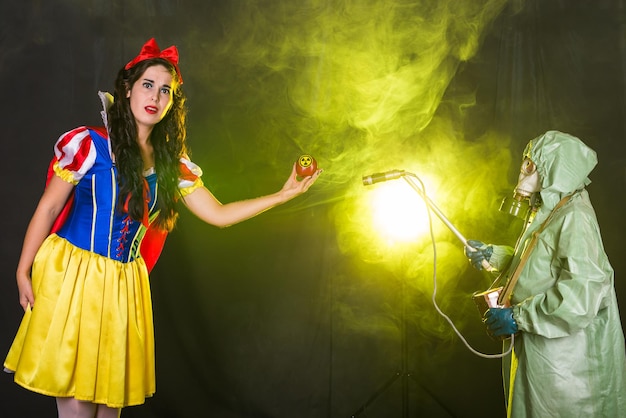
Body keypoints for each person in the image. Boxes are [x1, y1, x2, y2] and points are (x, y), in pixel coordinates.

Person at [3, 38, 322, 418]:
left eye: (165, 90)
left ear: (173, 102)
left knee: (109, 408)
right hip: (75, 278)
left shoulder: (172, 164)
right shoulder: (89, 144)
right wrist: (23, 270)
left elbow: (218, 214)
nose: (155, 96)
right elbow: (49, 205)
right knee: (78, 406)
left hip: (124, 287)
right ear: (127, 89)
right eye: (148, 85)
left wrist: (282, 196)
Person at [465, 130, 626, 417]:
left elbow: (582, 294)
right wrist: (494, 255)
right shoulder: (551, 210)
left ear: (555, 167)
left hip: (566, 364)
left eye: (531, 164)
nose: (525, 172)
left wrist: (518, 316)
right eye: (526, 163)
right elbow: (537, 263)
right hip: (540, 353)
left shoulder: (574, 217)